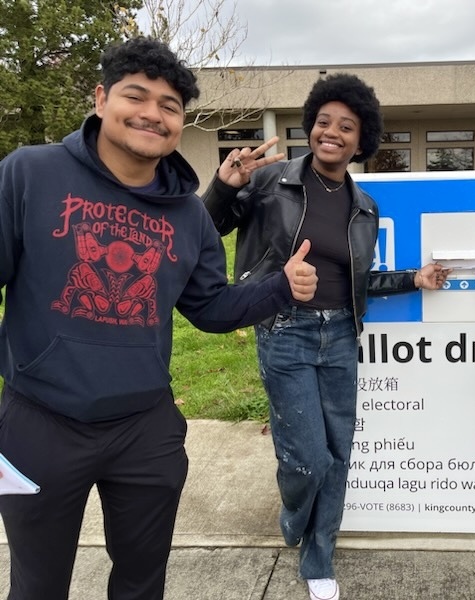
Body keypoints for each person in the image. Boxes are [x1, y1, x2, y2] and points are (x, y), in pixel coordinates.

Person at [0, 37, 318, 600]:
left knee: (143, 582)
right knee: (37, 586)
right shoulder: (30, 173)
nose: (152, 113)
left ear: (180, 122)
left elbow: (210, 308)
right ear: (101, 99)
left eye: (169, 106)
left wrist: (281, 288)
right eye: (136, 96)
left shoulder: (188, 215)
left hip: (145, 429)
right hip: (40, 423)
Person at [202, 72, 448, 600]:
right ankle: (295, 516)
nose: (331, 132)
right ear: (310, 127)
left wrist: (415, 279)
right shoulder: (270, 183)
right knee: (308, 458)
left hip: (340, 335)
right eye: (323, 121)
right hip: (284, 329)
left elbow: (359, 279)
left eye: (346, 126)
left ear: (361, 141)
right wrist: (224, 185)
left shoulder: (365, 208)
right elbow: (205, 229)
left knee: (338, 454)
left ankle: (319, 557)